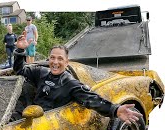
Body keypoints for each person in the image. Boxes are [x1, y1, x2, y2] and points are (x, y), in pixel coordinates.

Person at [13, 35, 142, 125]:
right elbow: (20, 70)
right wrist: (20, 50)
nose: (55, 62)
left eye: (60, 59)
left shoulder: (70, 83)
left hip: (51, 123)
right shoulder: (40, 72)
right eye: (52, 58)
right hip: (31, 118)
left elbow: (91, 99)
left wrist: (116, 109)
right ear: (48, 59)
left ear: (66, 62)